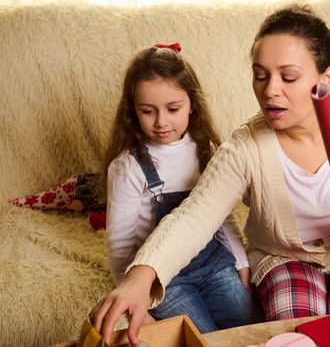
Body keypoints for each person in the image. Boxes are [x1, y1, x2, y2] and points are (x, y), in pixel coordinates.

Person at [90, 6, 330, 346]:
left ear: (325, 79)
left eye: (288, 77)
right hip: (288, 260)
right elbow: (193, 218)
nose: (270, 90)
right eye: (260, 74)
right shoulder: (244, 148)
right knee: (299, 338)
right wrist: (141, 275)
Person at [97, 43, 259, 333]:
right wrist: (134, 296)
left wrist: (241, 263)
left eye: (173, 109)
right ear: (133, 111)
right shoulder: (128, 167)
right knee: (201, 336)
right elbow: (121, 247)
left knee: (249, 327)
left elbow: (221, 215)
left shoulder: (205, 150)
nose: (161, 122)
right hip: (165, 279)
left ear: (192, 104)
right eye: (148, 111)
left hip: (214, 265)